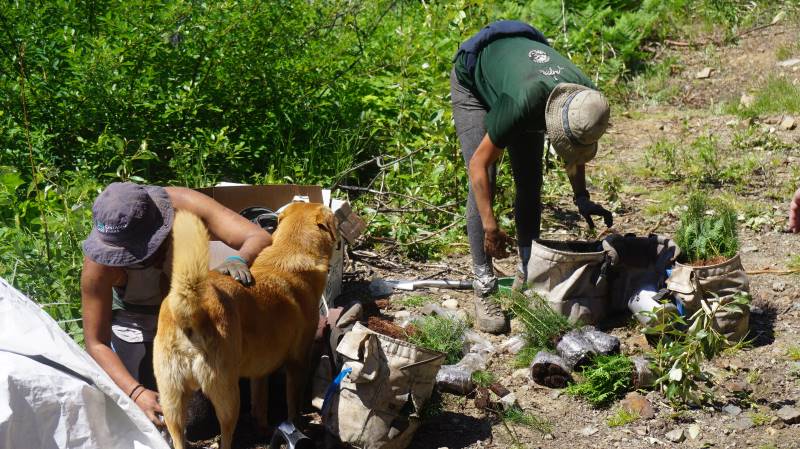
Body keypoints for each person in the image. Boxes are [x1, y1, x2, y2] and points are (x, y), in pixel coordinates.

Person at [451, 21, 613, 333]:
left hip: (520, 79)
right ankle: (484, 284)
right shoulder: (523, 103)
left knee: (529, 179)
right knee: (488, 178)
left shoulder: (586, 99)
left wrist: (582, 197)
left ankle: (528, 273)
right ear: (554, 119)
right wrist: (490, 227)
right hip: (475, 76)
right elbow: (477, 167)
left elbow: (574, 148)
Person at [80, 182, 272, 428]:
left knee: (209, 418)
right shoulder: (98, 266)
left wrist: (239, 258)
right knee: (154, 419)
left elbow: (258, 236)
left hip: (195, 315)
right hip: (137, 324)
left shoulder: (184, 205)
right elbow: (96, 342)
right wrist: (136, 393)